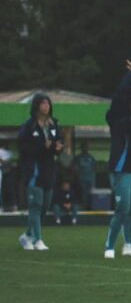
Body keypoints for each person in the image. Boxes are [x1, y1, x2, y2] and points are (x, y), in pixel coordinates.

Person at [104, 54, 131, 259]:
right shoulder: (116, 117)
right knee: (123, 208)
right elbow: (120, 94)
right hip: (122, 169)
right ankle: (110, 245)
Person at [17, 93, 64, 251]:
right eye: (43, 103)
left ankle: (27, 235)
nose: (46, 106)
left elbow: (58, 141)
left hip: (49, 170)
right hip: (34, 171)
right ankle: (38, 239)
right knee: (35, 205)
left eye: (48, 103)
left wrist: (58, 147)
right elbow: (24, 148)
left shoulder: (53, 124)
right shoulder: (29, 126)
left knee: (45, 205)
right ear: (37, 106)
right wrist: (45, 147)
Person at [72, 142, 97, 209]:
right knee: (83, 194)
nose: (86, 148)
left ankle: (90, 208)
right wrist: (78, 179)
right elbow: (75, 169)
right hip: (81, 180)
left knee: (91, 195)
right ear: (81, 148)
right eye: (85, 147)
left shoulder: (91, 157)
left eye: (87, 147)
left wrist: (93, 181)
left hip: (90, 179)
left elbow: (94, 169)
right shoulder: (78, 158)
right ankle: (83, 208)